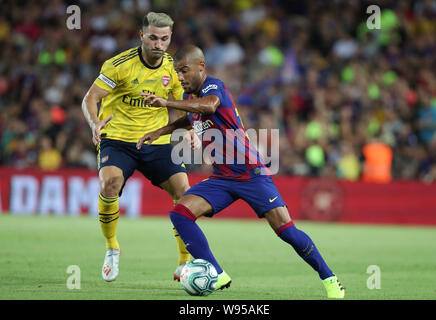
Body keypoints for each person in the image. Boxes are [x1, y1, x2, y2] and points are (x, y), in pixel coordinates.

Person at [137, 45, 345, 298]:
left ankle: (330, 278)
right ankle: (217, 272)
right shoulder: (191, 99)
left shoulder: (214, 87)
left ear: (201, 67)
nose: (180, 77)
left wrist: (167, 101)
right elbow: (190, 118)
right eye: (177, 72)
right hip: (222, 177)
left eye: (184, 70)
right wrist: (160, 131)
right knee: (180, 213)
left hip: (250, 173)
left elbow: (210, 107)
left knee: (286, 231)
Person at [81, 12, 193, 282]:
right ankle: (111, 248)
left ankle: (184, 262)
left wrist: (192, 129)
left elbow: (183, 107)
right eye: (153, 37)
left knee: (185, 194)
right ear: (142, 35)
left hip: (156, 139)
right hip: (118, 139)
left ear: (170, 39)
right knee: (110, 183)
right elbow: (90, 97)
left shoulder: (172, 69)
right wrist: (95, 123)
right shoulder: (119, 65)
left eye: (164, 39)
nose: (158, 44)